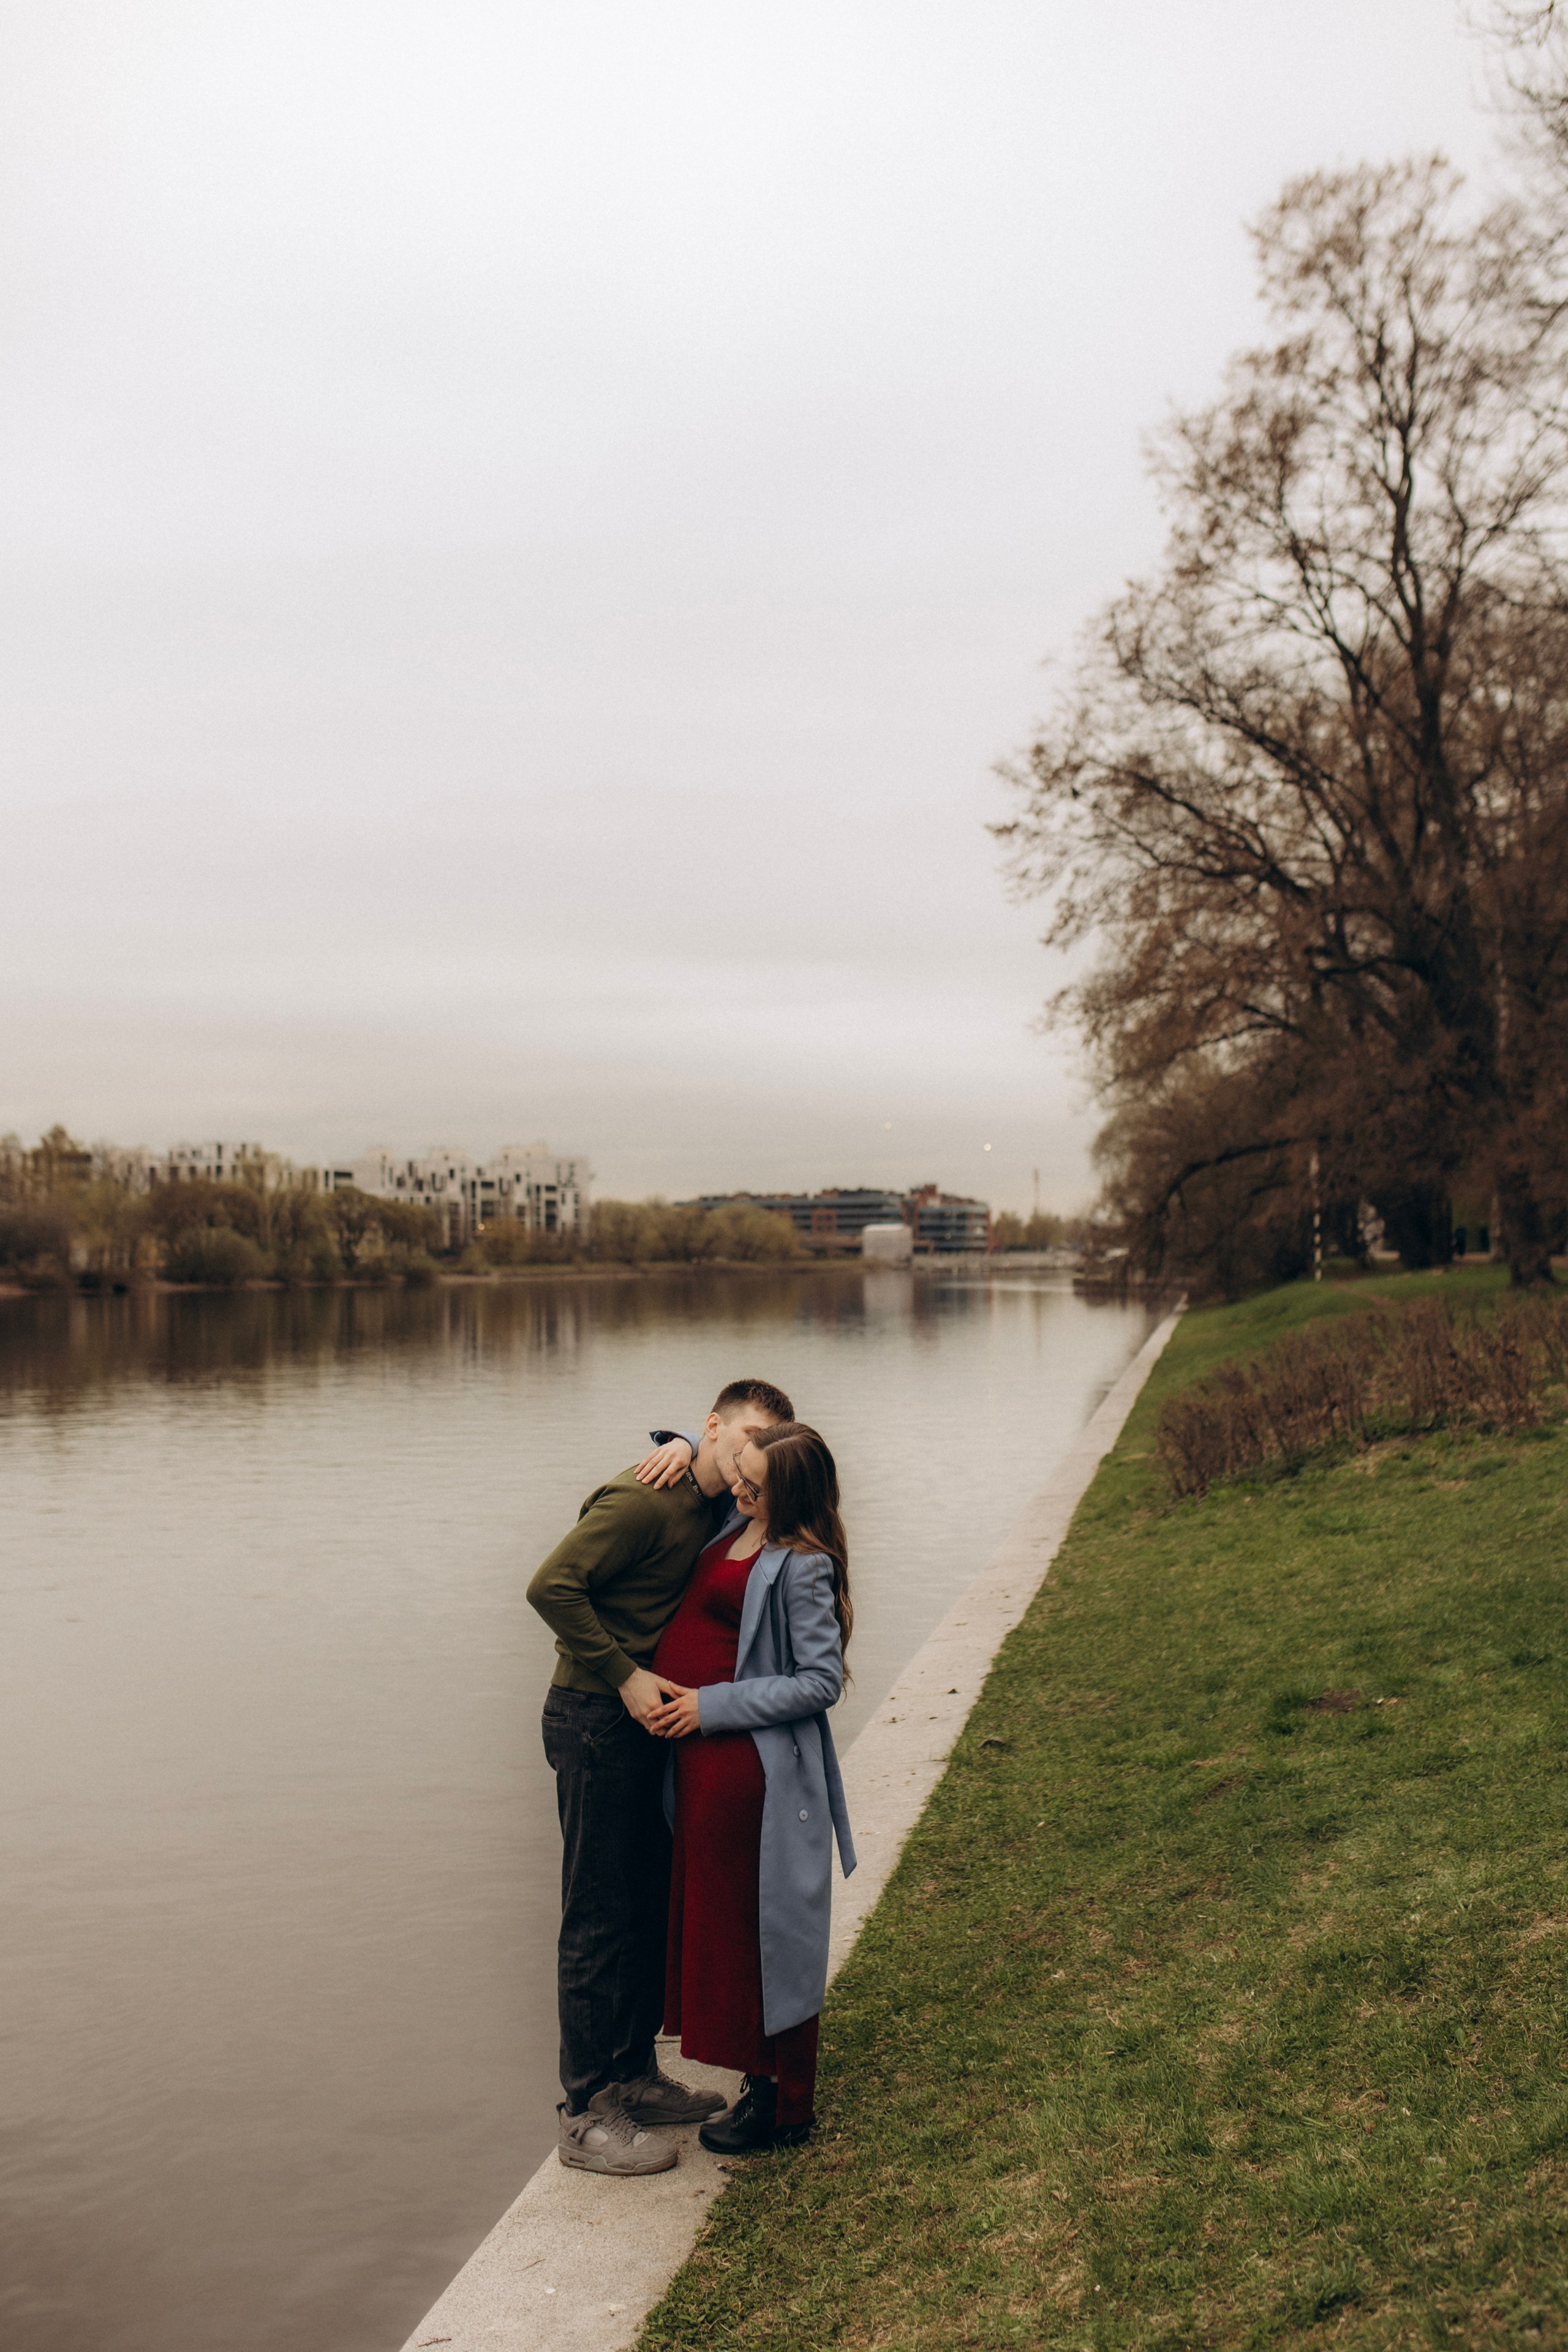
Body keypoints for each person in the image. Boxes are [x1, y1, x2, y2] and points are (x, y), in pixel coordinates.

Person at [526, 1378, 794, 2176]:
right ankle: (586, 2111)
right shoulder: (646, 1501)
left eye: (761, 1446)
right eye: (739, 1435)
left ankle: (635, 2076)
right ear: (715, 1426)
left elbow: (724, 1466)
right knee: (597, 1915)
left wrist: (679, 1439)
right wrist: (624, 1676)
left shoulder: (718, 1499)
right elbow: (550, 1587)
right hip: (594, 1718)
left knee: (644, 1903)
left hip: (648, 1727)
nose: (749, 1455)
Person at [645, 1420, 856, 2154]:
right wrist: (677, 1440)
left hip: (752, 1772)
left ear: (786, 1494)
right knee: (728, 1928)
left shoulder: (801, 1562)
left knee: (764, 1929)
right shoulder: (736, 1522)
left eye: (754, 1483)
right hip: (704, 1769)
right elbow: (720, 1435)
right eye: (740, 1472)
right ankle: (754, 2075)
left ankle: (782, 2101)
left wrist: (710, 1706)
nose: (738, 1486)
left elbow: (820, 1681)